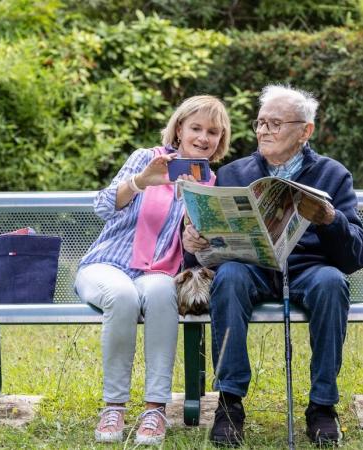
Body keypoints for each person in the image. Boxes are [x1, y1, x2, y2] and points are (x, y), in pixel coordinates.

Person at [183, 85, 363, 446]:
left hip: (308, 270)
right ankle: (229, 403)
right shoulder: (234, 174)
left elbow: (356, 257)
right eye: (260, 122)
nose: (264, 131)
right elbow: (203, 255)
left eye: (275, 123)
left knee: (331, 282)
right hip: (250, 266)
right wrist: (196, 244)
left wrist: (331, 219)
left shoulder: (333, 175)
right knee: (231, 277)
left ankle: (322, 406)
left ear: (305, 131)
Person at [74, 95, 231, 446]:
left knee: (162, 293)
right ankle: (114, 405)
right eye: (196, 128)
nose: (204, 138)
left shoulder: (211, 182)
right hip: (107, 264)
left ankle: (155, 409)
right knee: (122, 295)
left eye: (213, 132)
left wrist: (195, 243)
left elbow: (196, 256)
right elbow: (101, 206)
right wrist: (142, 181)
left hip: (158, 273)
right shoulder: (147, 159)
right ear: (179, 129)